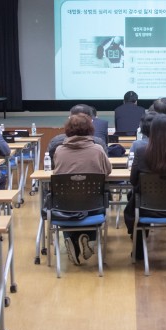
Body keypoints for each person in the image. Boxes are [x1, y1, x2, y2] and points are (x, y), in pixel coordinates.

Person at [125, 114, 166, 259]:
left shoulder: (141, 153)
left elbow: (133, 180)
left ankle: (139, 252)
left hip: (146, 209)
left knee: (134, 197)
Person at [51, 113, 112, 265]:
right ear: (90, 129)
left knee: (67, 202)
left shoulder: (59, 151)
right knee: (95, 199)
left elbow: (55, 172)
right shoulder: (97, 149)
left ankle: (69, 238)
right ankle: (90, 239)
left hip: (65, 207)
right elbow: (108, 171)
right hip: (94, 205)